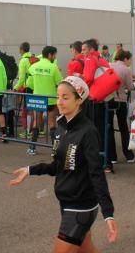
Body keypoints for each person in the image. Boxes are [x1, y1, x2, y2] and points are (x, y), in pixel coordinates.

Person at [10, 76, 118, 253]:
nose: (59, 102)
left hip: (81, 205)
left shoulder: (88, 131)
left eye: (65, 97)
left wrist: (108, 213)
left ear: (79, 100)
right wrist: (30, 170)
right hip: (66, 201)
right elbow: (58, 165)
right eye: (58, 96)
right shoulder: (61, 126)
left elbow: (96, 173)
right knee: (86, 249)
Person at [82, 38, 114, 171]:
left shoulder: (90, 59)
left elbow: (88, 78)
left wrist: (81, 81)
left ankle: (97, 160)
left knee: (94, 130)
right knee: (105, 129)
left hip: (95, 99)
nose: (82, 52)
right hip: (106, 97)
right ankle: (108, 161)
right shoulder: (102, 59)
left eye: (84, 49)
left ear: (90, 49)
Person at [26, 46, 63, 154]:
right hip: (51, 99)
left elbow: (29, 84)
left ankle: (32, 148)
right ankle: (55, 150)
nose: (55, 57)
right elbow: (59, 83)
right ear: (50, 55)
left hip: (37, 99)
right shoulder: (53, 67)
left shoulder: (33, 67)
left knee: (36, 123)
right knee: (52, 124)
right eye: (54, 55)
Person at [109, 50, 135, 163]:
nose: (130, 61)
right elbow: (129, 87)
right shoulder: (126, 69)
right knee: (123, 127)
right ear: (125, 59)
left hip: (109, 99)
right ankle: (128, 155)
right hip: (121, 101)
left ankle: (112, 156)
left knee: (109, 128)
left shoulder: (109, 65)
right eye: (130, 59)